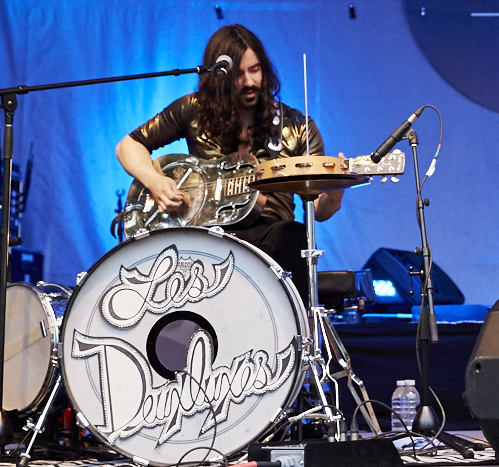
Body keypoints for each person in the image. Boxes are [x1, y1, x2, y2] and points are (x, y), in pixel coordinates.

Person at [116, 24, 342, 304]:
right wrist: (156, 181)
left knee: (295, 237)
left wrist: (334, 193)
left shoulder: (296, 126)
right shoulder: (193, 109)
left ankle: (297, 338)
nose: (249, 82)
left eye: (255, 70)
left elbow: (319, 210)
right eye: (238, 75)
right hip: (205, 233)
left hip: (269, 236)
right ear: (218, 77)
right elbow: (128, 145)